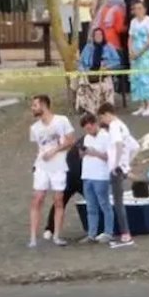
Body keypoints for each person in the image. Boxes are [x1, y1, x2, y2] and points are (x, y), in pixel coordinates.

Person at [28, 94, 76, 247]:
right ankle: (33, 238)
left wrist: (55, 150)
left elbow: (70, 141)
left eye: (35, 105)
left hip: (59, 165)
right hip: (42, 166)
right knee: (37, 198)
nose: (32, 108)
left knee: (58, 200)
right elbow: (39, 147)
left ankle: (56, 235)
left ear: (43, 105)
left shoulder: (61, 121)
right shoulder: (34, 128)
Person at [97, 103, 137, 248]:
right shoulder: (122, 125)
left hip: (116, 169)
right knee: (118, 201)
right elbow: (135, 146)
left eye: (102, 118)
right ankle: (125, 233)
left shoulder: (114, 126)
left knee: (118, 202)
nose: (102, 121)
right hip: (122, 167)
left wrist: (116, 164)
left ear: (107, 114)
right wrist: (127, 163)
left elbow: (119, 145)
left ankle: (125, 234)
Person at [78, 113, 116, 243]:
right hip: (87, 175)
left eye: (89, 128)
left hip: (101, 176)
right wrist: (83, 152)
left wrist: (94, 153)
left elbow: (109, 157)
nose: (88, 131)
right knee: (91, 207)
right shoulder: (87, 138)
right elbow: (81, 156)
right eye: (85, 129)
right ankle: (91, 234)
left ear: (95, 124)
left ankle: (108, 232)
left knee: (104, 204)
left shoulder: (106, 137)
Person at [76, 27, 121, 113]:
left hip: (104, 73)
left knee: (107, 84)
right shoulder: (88, 47)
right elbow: (81, 63)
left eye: (100, 35)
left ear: (103, 36)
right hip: (89, 73)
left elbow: (117, 61)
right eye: (96, 35)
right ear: (93, 37)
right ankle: (88, 108)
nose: (98, 36)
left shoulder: (109, 47)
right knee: (82, 84)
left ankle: (106, 108)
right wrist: (84, 71)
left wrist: (107, 66)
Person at [128, 0, 149, 117]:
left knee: (147, 77)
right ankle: (142, 105)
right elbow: (130, 37)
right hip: (135, 51)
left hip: (146, 53)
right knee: (137, 77)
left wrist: (139, 52)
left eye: (140, 8)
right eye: (136, 8)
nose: (138, 11)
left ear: (145, 9)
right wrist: (130, 50)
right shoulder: (133, 22)